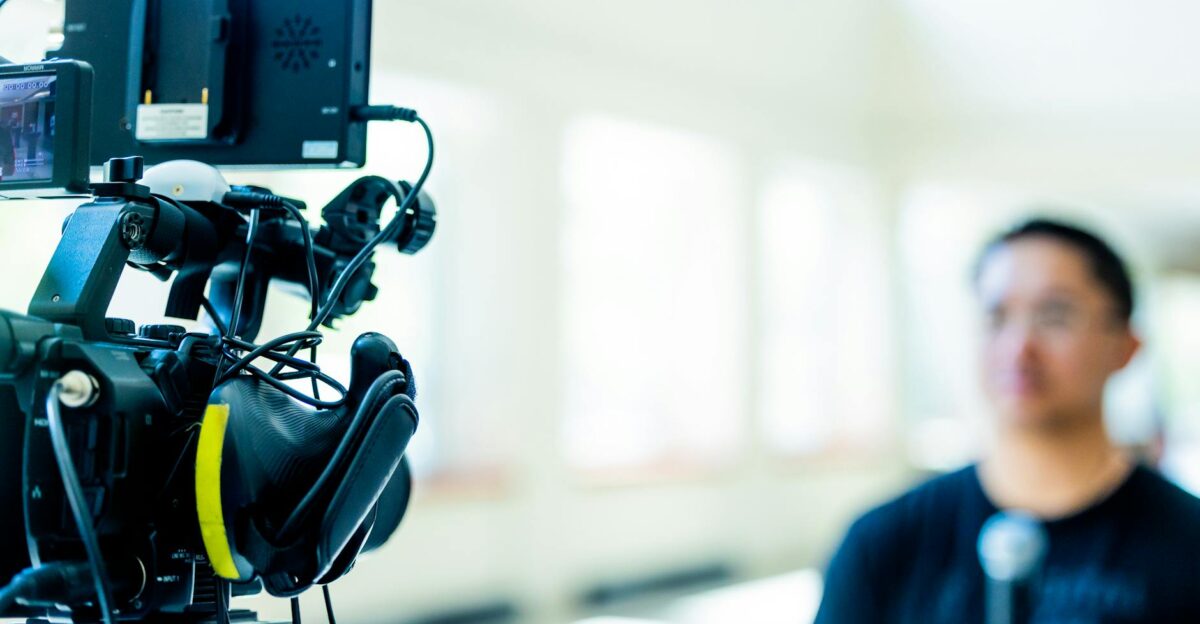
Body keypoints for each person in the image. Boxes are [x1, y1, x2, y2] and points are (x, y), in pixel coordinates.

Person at [814, 218, 1200, 623]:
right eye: (997, 317)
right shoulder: (885, 542)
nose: (1019, 348)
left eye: (1055, 316)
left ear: (1125, 346)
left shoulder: (1187, 544)